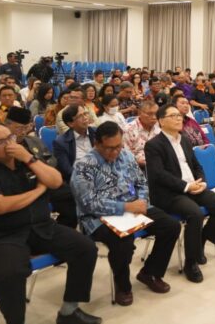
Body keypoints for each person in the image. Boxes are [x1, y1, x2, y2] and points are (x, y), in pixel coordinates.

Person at [0, 122, 100, 324]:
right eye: (1, 141)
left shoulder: (26, 161)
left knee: (86, 248)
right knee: (10, 273)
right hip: (1, 236)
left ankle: (69, 311)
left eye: (11, 137)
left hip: (41, 227)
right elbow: (0, 206)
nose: (10, 143)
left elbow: (55, 181)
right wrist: (38, 191)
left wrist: (29, 158)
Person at [70, 122, 181, 307]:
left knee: (170, 226)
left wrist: (142, 202)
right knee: (123, 241)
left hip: (134, 207)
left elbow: (142, 183)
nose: (115, 152)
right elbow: (88, 203)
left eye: (119, 146)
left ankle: (150, 272)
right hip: (97, 217)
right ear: (97, 144)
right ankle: (123, 286)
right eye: (109, 148)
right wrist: (126, 207)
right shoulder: (84, 165)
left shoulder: (127, 155)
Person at [144, 105, 215, 283]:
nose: (178, 118)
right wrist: (186, 186)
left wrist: (201, 181)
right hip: (169, 193)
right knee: (195, 214)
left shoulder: (184, 140)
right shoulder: (153, 145)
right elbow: (159, 175)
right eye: (173, 115)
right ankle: (190, 262)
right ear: (161, 121)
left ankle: (199, 244)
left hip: (192, 186)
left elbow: (196, 165)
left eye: (179, 115)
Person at [53, 105, 97, 183]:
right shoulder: (61, 142)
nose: (85, 118)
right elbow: (67, 170)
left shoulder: (96, 133)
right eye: (80, 116)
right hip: (79, 180)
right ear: (71, 124)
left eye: (85, 114)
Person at [122, 100, 161, 168]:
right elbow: (125, 154)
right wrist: (138, 162)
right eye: (149, 114)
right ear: (139, 113)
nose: (154, 117)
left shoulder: (160, 127)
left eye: (156, 114)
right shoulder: (128, 129)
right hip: (136, 166)